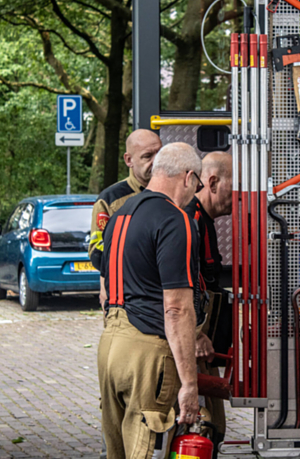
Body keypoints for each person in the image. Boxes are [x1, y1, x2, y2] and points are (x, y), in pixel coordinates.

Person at [97, 142, 204, 459]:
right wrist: (189, 384)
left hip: (110, 348)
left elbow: (106, 285)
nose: (194, 193)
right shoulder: (175, 220)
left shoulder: (120, 216)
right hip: (147, 353)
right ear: (187, 177)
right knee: (144, 450)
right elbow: (176, 308)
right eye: (196, 183)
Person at [184, 152, 233, 456]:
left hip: (204, 343)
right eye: (235, 186)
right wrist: (196, 333)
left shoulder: (204, 220)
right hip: (192, 342)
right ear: (212, 182)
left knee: (214, 426)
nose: (239, 195)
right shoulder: (191, 220)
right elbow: (184, 286)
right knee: (203, 426)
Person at [88, 129, 162, 303]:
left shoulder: (178, 193)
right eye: (147, 156)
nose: (156, 162)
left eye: (160, 153)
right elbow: (97, 251)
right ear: (129, 160)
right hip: (128, 299)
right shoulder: (111, 200)